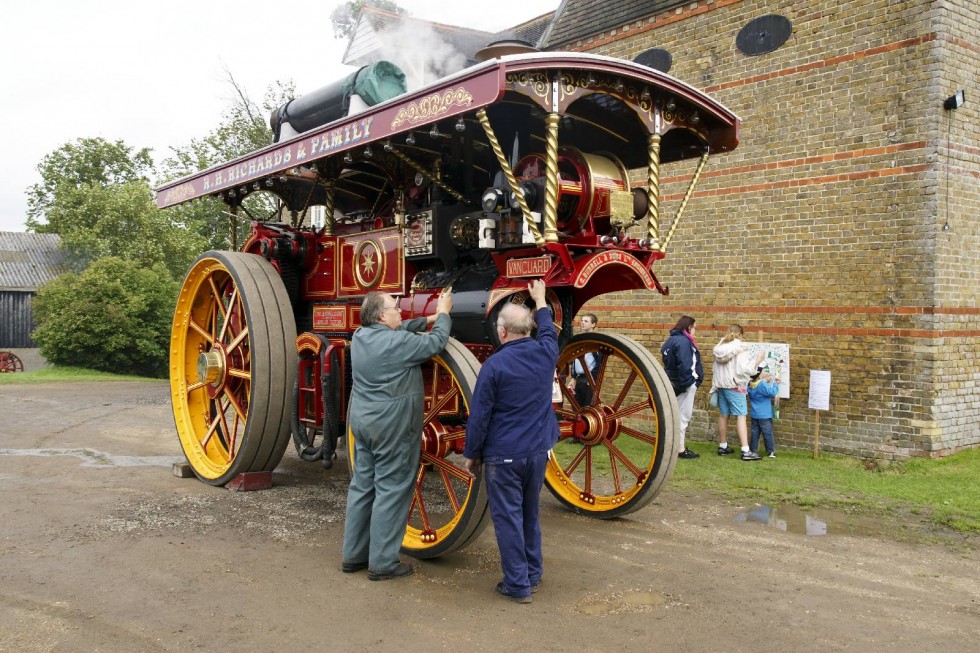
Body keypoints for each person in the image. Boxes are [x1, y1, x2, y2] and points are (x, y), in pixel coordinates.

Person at [341, 290, 452, 580]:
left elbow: (400, 329)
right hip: (392, 426)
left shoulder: (361, 336)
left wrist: (424, 319)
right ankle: (383, 563)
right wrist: (443, 314)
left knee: (363, 486)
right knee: (391, 490)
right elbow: (437, 343)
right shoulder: (397, 343)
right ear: (381, 316)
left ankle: (353, 556)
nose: (400, 311)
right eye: (395, 307)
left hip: (363, 423)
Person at [464, 280, 559, 604]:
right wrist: (541, 300)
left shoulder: (493, 366)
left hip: (504, 456)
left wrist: (472, 455)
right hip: (537, 453)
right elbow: (548, 330)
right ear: (528, 330)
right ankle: (533, 573)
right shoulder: (546, 352)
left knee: (507, 519)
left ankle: (517, 584)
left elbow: (479, 419)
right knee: (530, 514)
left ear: (502, 332)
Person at [710, 325, 765, 461]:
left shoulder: (720, 347)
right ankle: (745, 450)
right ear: (740, 334)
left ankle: (723, 446)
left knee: (724, 415)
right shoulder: (740, 347)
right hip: (735, 385)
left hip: (721, 385)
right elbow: (744, 369)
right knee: (741, 416)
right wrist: (758, 360)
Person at [661, 315, 703, 459]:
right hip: (683, 384)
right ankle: (679, 449)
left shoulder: (670, 340)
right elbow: (685, 365)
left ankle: (674, 446)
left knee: (675, 416)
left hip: (673, 383)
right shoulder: (684, 342)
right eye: (694, 327)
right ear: (688, 327)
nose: (695, 330)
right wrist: (690, 383)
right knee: (682, 417)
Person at [565, 313, 599, 406]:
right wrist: (573, 378)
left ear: (593, 324)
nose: (582, 323)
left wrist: (592, 378)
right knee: (576, 407)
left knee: (587, 408)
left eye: (586, 321)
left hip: (589, 380)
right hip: (579, 379)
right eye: (582, 320)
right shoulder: (579, 340)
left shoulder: (596, 342)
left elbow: (599, 363)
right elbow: (574, 360)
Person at [748, 369, 780, 458]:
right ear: (759, 375)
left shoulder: (750, 384)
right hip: (765, 415)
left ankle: (753, 449)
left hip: (754, 414)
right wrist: (775, 383)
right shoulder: (762, 384)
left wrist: (765, 380)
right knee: (767, 433)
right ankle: (771, 451)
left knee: (755, 433)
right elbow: (773, 392)